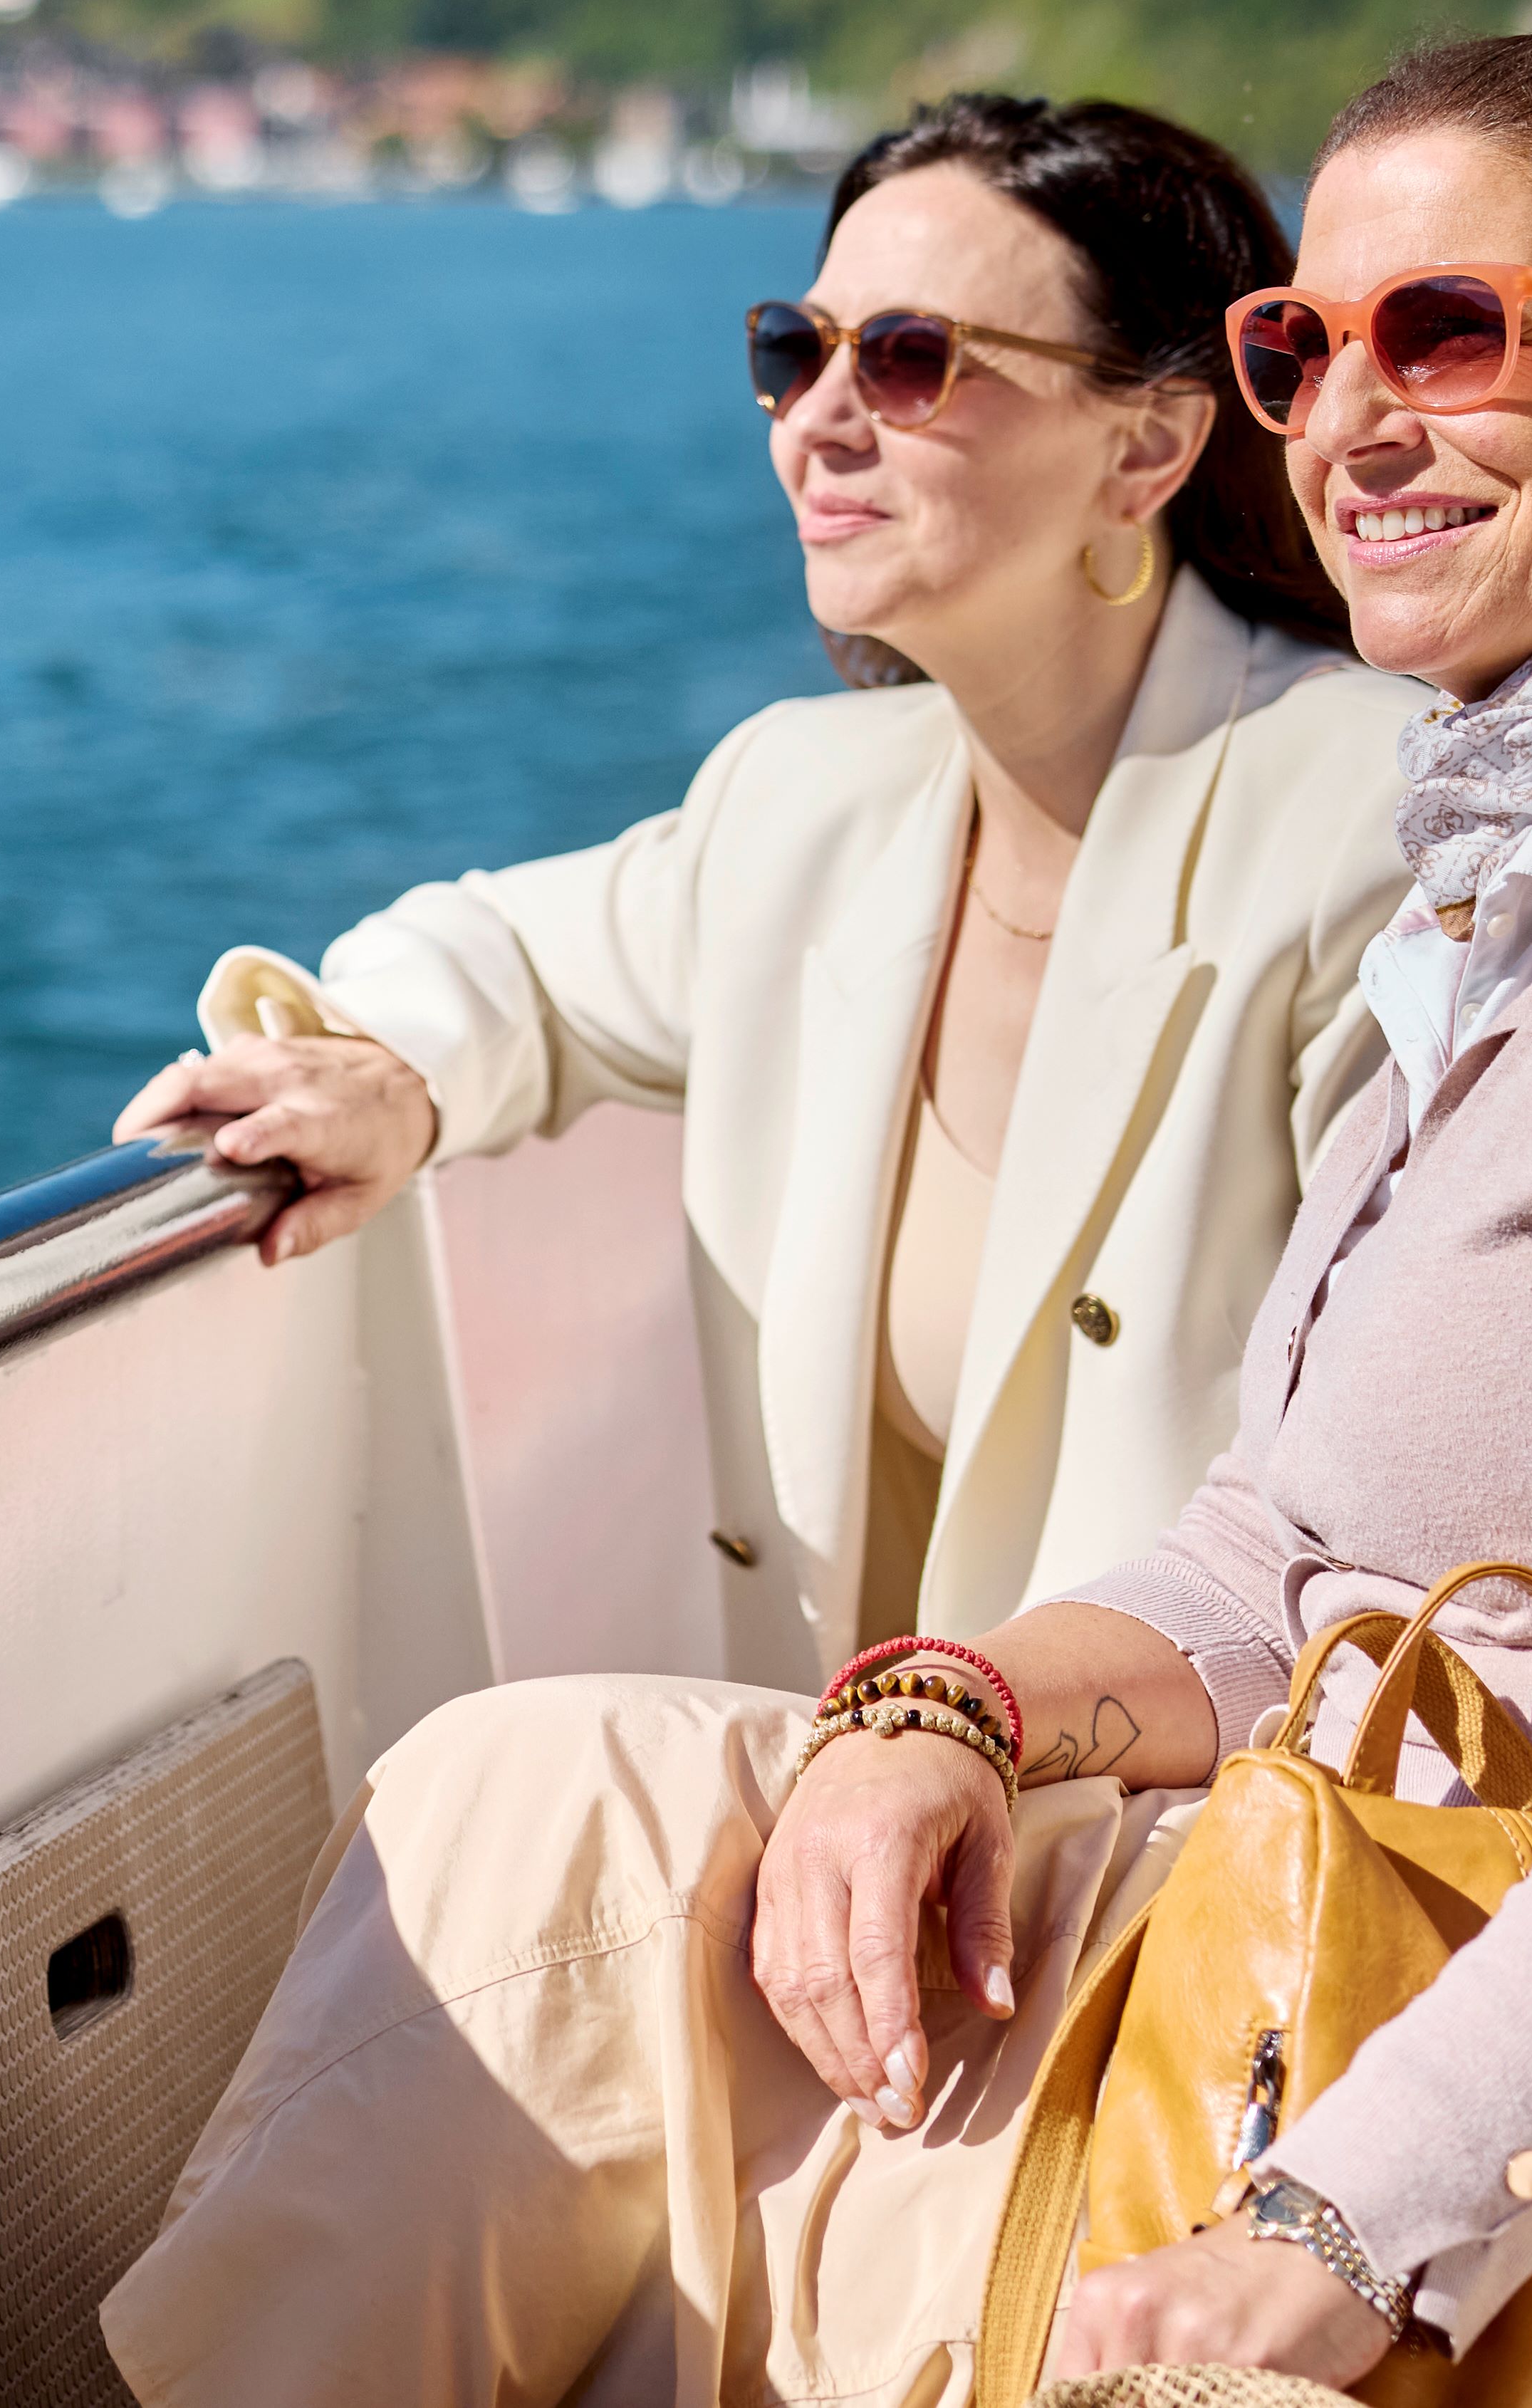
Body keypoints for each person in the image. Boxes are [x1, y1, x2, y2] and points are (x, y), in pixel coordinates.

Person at [108, 33, 1532, 2408]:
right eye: (1295, 347)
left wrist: (1339, 2224)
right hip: (1361, 1927)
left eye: (1446, 330)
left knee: (710, 2167)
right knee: (532, 1817)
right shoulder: (1527, 876)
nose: (1342, 417)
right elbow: (1272, 1552)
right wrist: (948, 1712)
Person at [115, 91, 1414, 1687]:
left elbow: (1398, 1493)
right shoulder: (804, 806)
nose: (817, 419)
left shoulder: (1365, 817)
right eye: (797, 354)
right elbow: (509, 957)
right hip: (870, 1828)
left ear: (1147, 442)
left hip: (1193, 1822)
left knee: (505, 1790)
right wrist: (386, 1072)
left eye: (911, 360)